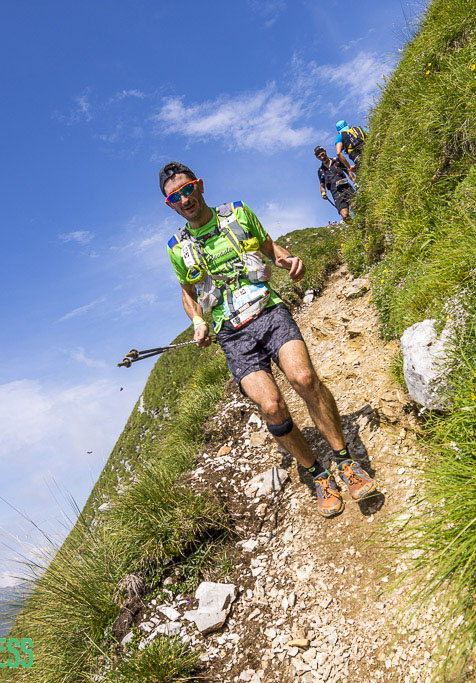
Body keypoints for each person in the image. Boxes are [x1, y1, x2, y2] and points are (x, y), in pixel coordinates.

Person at [160, 161, 375, 518]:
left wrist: (289, 260)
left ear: (200, 185)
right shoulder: (176, 248)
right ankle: (317, 475)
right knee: (272, 407)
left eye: (187, 189)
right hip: (232, 333)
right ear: (169, 205)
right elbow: (188, 293)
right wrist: (198, 321)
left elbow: (271, 248)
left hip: (269, 311)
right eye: (174, 198)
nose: (184, 199)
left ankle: (345, 462)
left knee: (304, 379)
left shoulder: (238, 214)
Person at [315, 146, 357, 222]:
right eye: (319, 157)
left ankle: (363, 223)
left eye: (322, 154)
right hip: (336, 193)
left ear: (325, 151)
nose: (322, 157)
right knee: (345, 215)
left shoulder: (337, 161)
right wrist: (323, 193)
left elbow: (348, 171)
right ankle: (354, 227)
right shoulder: (320, 171)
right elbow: (322, 185)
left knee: (356, 207)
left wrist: (355, 181)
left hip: (346, 187)